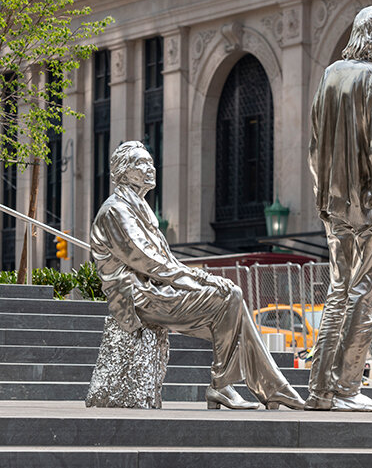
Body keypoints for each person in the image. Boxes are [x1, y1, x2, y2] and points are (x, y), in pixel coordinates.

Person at [90, 141, 305, 411]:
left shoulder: (139, 208)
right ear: (124, 171)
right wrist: (205, 280)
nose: (151, 168)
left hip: (156, 291)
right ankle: (239, 387)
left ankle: (261, 388)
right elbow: (151, 263)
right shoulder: (115, 211)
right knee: (229, 299)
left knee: (232, 302)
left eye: (151, 162)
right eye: (142, 163)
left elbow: (165, 263)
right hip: (138, 299)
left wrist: (204, 281)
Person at [306, 5, 372, 412]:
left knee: (337, 292)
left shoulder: (330, 75)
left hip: (333, 207)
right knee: (365, 297)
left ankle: (319, 389)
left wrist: (323, 198)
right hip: (366, 210)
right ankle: (346, 388)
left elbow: (314, 147)